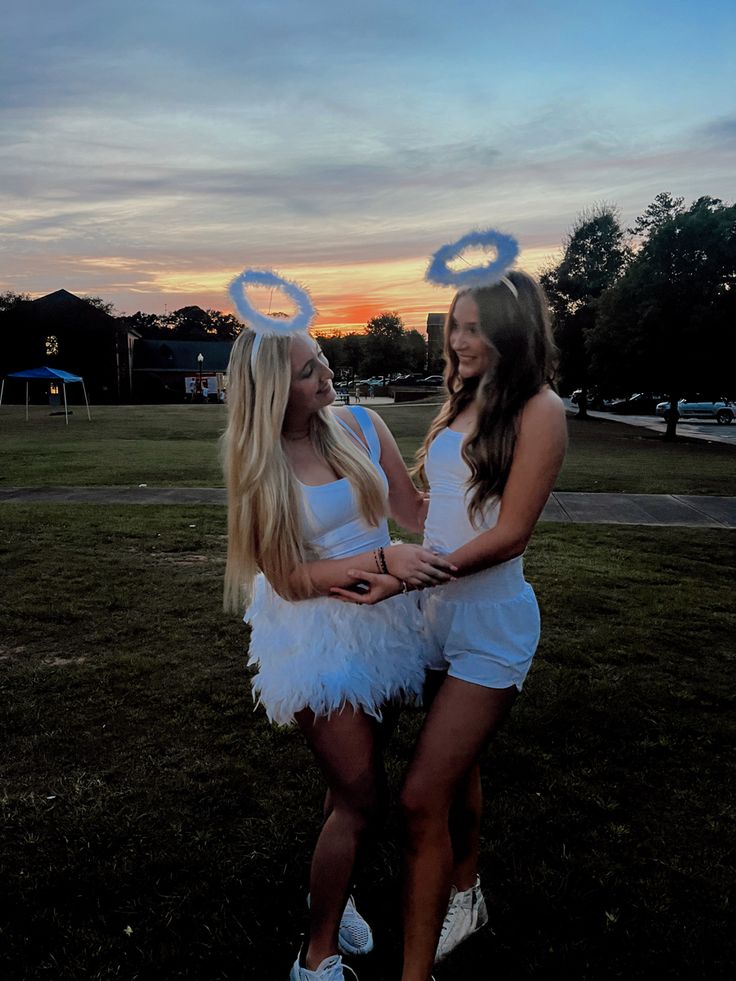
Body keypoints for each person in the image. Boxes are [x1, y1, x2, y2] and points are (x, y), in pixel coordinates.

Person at [331, 236, 567, 980]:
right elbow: (448, 508)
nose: (457, 340)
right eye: (453, 325)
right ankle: (466, 887)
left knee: (420, 793)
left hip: (490, 622)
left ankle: (415, 969)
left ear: (512, 331)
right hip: (433, 616)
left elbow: (509, 532)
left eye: (473, 326)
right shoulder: (462, 399)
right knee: (457, 772)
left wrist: (410, 576)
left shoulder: (541, 409)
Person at [222, 269, 455, 981]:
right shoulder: (260, 462)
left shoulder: (360, 423)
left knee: (346, 786)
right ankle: (314, 955)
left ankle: (339, 886)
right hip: (315, 632)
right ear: (271, 390)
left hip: (387, 622)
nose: (328, 373)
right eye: (307, 371)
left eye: (323, 358)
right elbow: (287, 575)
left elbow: (415, 511)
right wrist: (379, 555)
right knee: (359, 796)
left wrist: (475, 491)